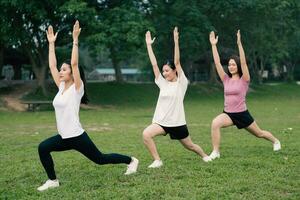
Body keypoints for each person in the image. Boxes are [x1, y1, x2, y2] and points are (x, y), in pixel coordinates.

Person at [37, 21, 138, 191]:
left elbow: (74, 63)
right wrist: (51, 44)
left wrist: (75, 40)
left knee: (100, 159)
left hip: (76, 136)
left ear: (72, 74)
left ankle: (131, 160)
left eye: (64, 70)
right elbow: (52, 66)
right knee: (43, 148)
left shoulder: (77, 88)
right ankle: (53, 180)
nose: (61, 72)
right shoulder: (61, 86)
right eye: (61, 70)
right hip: (63, 137)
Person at [143, 27, 211, 169]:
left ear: (174, 71)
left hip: (178, 123)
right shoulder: (162, 83)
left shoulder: (182, 83)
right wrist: (149, 45)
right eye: (163, 71)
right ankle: (157, 160)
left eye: (167, 70)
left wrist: (176, 41)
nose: (164, 73)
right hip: (161, 122)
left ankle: (205, 156)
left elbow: (178, 62)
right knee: (146, 134)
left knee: (190, 146)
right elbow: (154, 64)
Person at [208, 30, 281, 160]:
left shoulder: (244, 79)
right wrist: (213, 45)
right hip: (228, 114)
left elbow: (243, 63)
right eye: (229, 65)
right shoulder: (225, 79)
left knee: (259, 133)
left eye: (233, 64)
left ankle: (275, 141)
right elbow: (218, 63)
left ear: (238, 66)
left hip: (242, 114)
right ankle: (215, 152)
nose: (231, 67)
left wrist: (239, 44)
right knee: (215, 123)